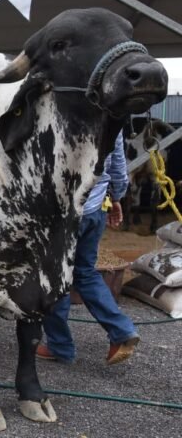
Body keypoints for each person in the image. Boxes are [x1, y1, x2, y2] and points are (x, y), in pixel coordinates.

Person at [37, 131, 140, 365]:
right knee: (84, 272)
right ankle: (122, 331)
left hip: (63, 212)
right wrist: (116, 197)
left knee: (55, 276)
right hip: (95, 207)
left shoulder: (60, 102)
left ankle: (59, 346)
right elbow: (118, 164)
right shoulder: (111, 108)